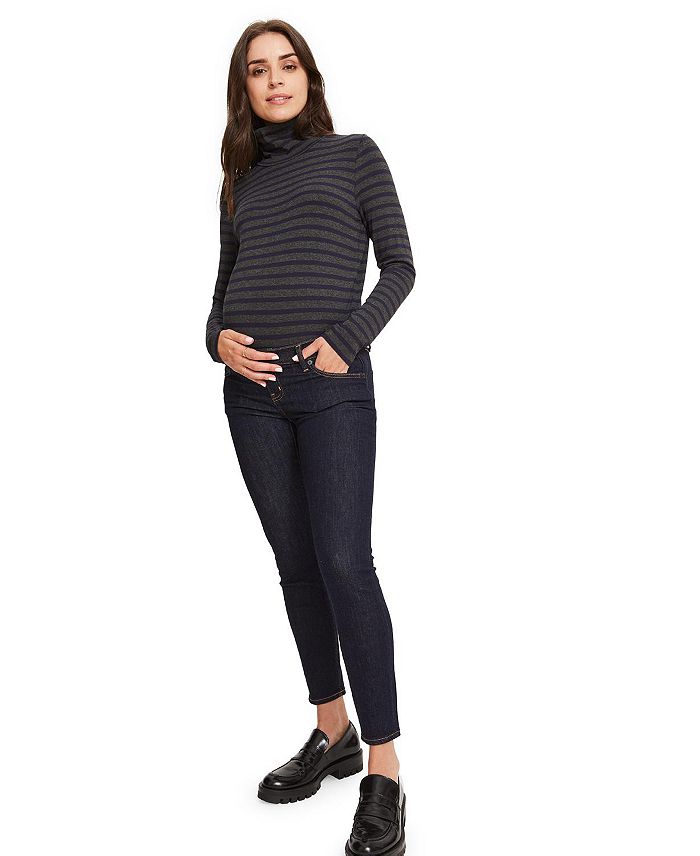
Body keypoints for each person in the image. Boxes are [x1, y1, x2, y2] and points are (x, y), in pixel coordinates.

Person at [205, 19, 415, 856]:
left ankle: (384, 767)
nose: (275, 79)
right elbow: (222, 288)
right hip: (250, 399)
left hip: (333, 390)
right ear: (245, 90)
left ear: (309, 77)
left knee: (344, 562)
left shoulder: (355, 155)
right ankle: (332, 728)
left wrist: (347, 339)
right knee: (295, 562)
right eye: (258, 70)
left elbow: (400, 264)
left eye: (287, 64)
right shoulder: (239, 182)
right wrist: (216, 339)